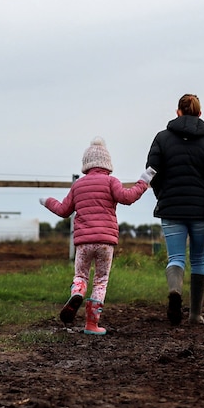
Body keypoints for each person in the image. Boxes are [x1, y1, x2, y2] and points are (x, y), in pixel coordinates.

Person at [40, 136, 155, 335]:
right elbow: (127, 198)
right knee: (101, 281)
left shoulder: (78, 185)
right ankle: (92, 325)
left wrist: (47, 201)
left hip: (83, 242)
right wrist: (144, 180)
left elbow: (63, 210)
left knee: (80, 275)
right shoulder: (111, 182)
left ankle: (77, 293)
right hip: (105, 242)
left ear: (86, 164)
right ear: (107, 163)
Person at [146, 93, 204, 325]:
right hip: (201, 210)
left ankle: (175, 292)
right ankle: (194, 314)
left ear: (177, 112)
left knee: (176, 258)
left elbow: (152, 172)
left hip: (171, 209)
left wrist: (162, 196)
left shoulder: (161, 138)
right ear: (200, 114)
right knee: (199, 260)